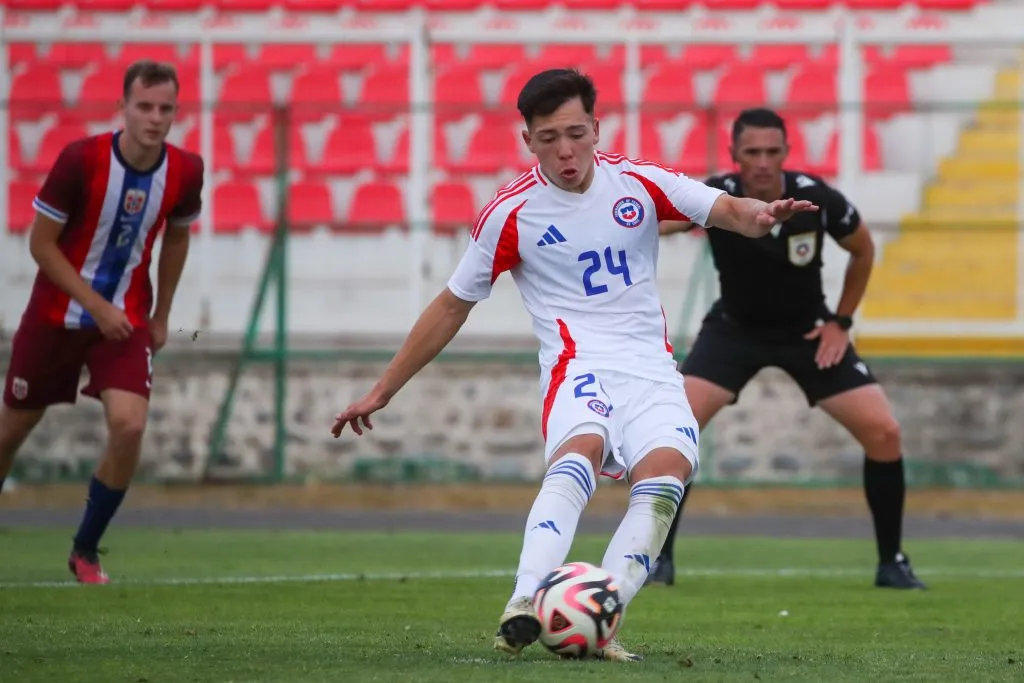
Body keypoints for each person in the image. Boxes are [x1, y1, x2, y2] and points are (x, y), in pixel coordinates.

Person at [331, 70, 817, 661]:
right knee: (579, 453)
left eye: (576, 133)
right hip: (577, 365)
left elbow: (725, 208)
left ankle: (601, 619)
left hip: (651, 371)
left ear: (596, 128)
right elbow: (453, 304)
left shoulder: (637, 182)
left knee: (668, 476)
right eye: (549, 138)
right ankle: (521, 602)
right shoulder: (511, 213)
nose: (565, 150)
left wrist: (761, 216)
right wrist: (383, 389)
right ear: (528, 140)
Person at [649, 107, 924, 591]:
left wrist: (841, 323)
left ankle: (892, 563)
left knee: (884, 432)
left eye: (772, 151)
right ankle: (657, 560)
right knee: (675, 433)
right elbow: (655, 224)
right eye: (752, 152)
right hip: (734, 330)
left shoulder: (816, 199)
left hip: (807, 332)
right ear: (734, 154)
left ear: (786, 153)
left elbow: (863, 250)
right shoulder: (717, 196)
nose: (762, 161)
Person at [0, 60, 205, 584]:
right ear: (122, 108)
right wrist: (96, 306)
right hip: (56, 317)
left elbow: (178, 236)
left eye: (165, 109)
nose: (155, 118)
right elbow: (40, 245)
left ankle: (86, 550)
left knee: (130, 425)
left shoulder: (186, 170)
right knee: (12, 430)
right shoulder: (80, 161)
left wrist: (161, 315)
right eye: (145, 107)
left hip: (126, 320)